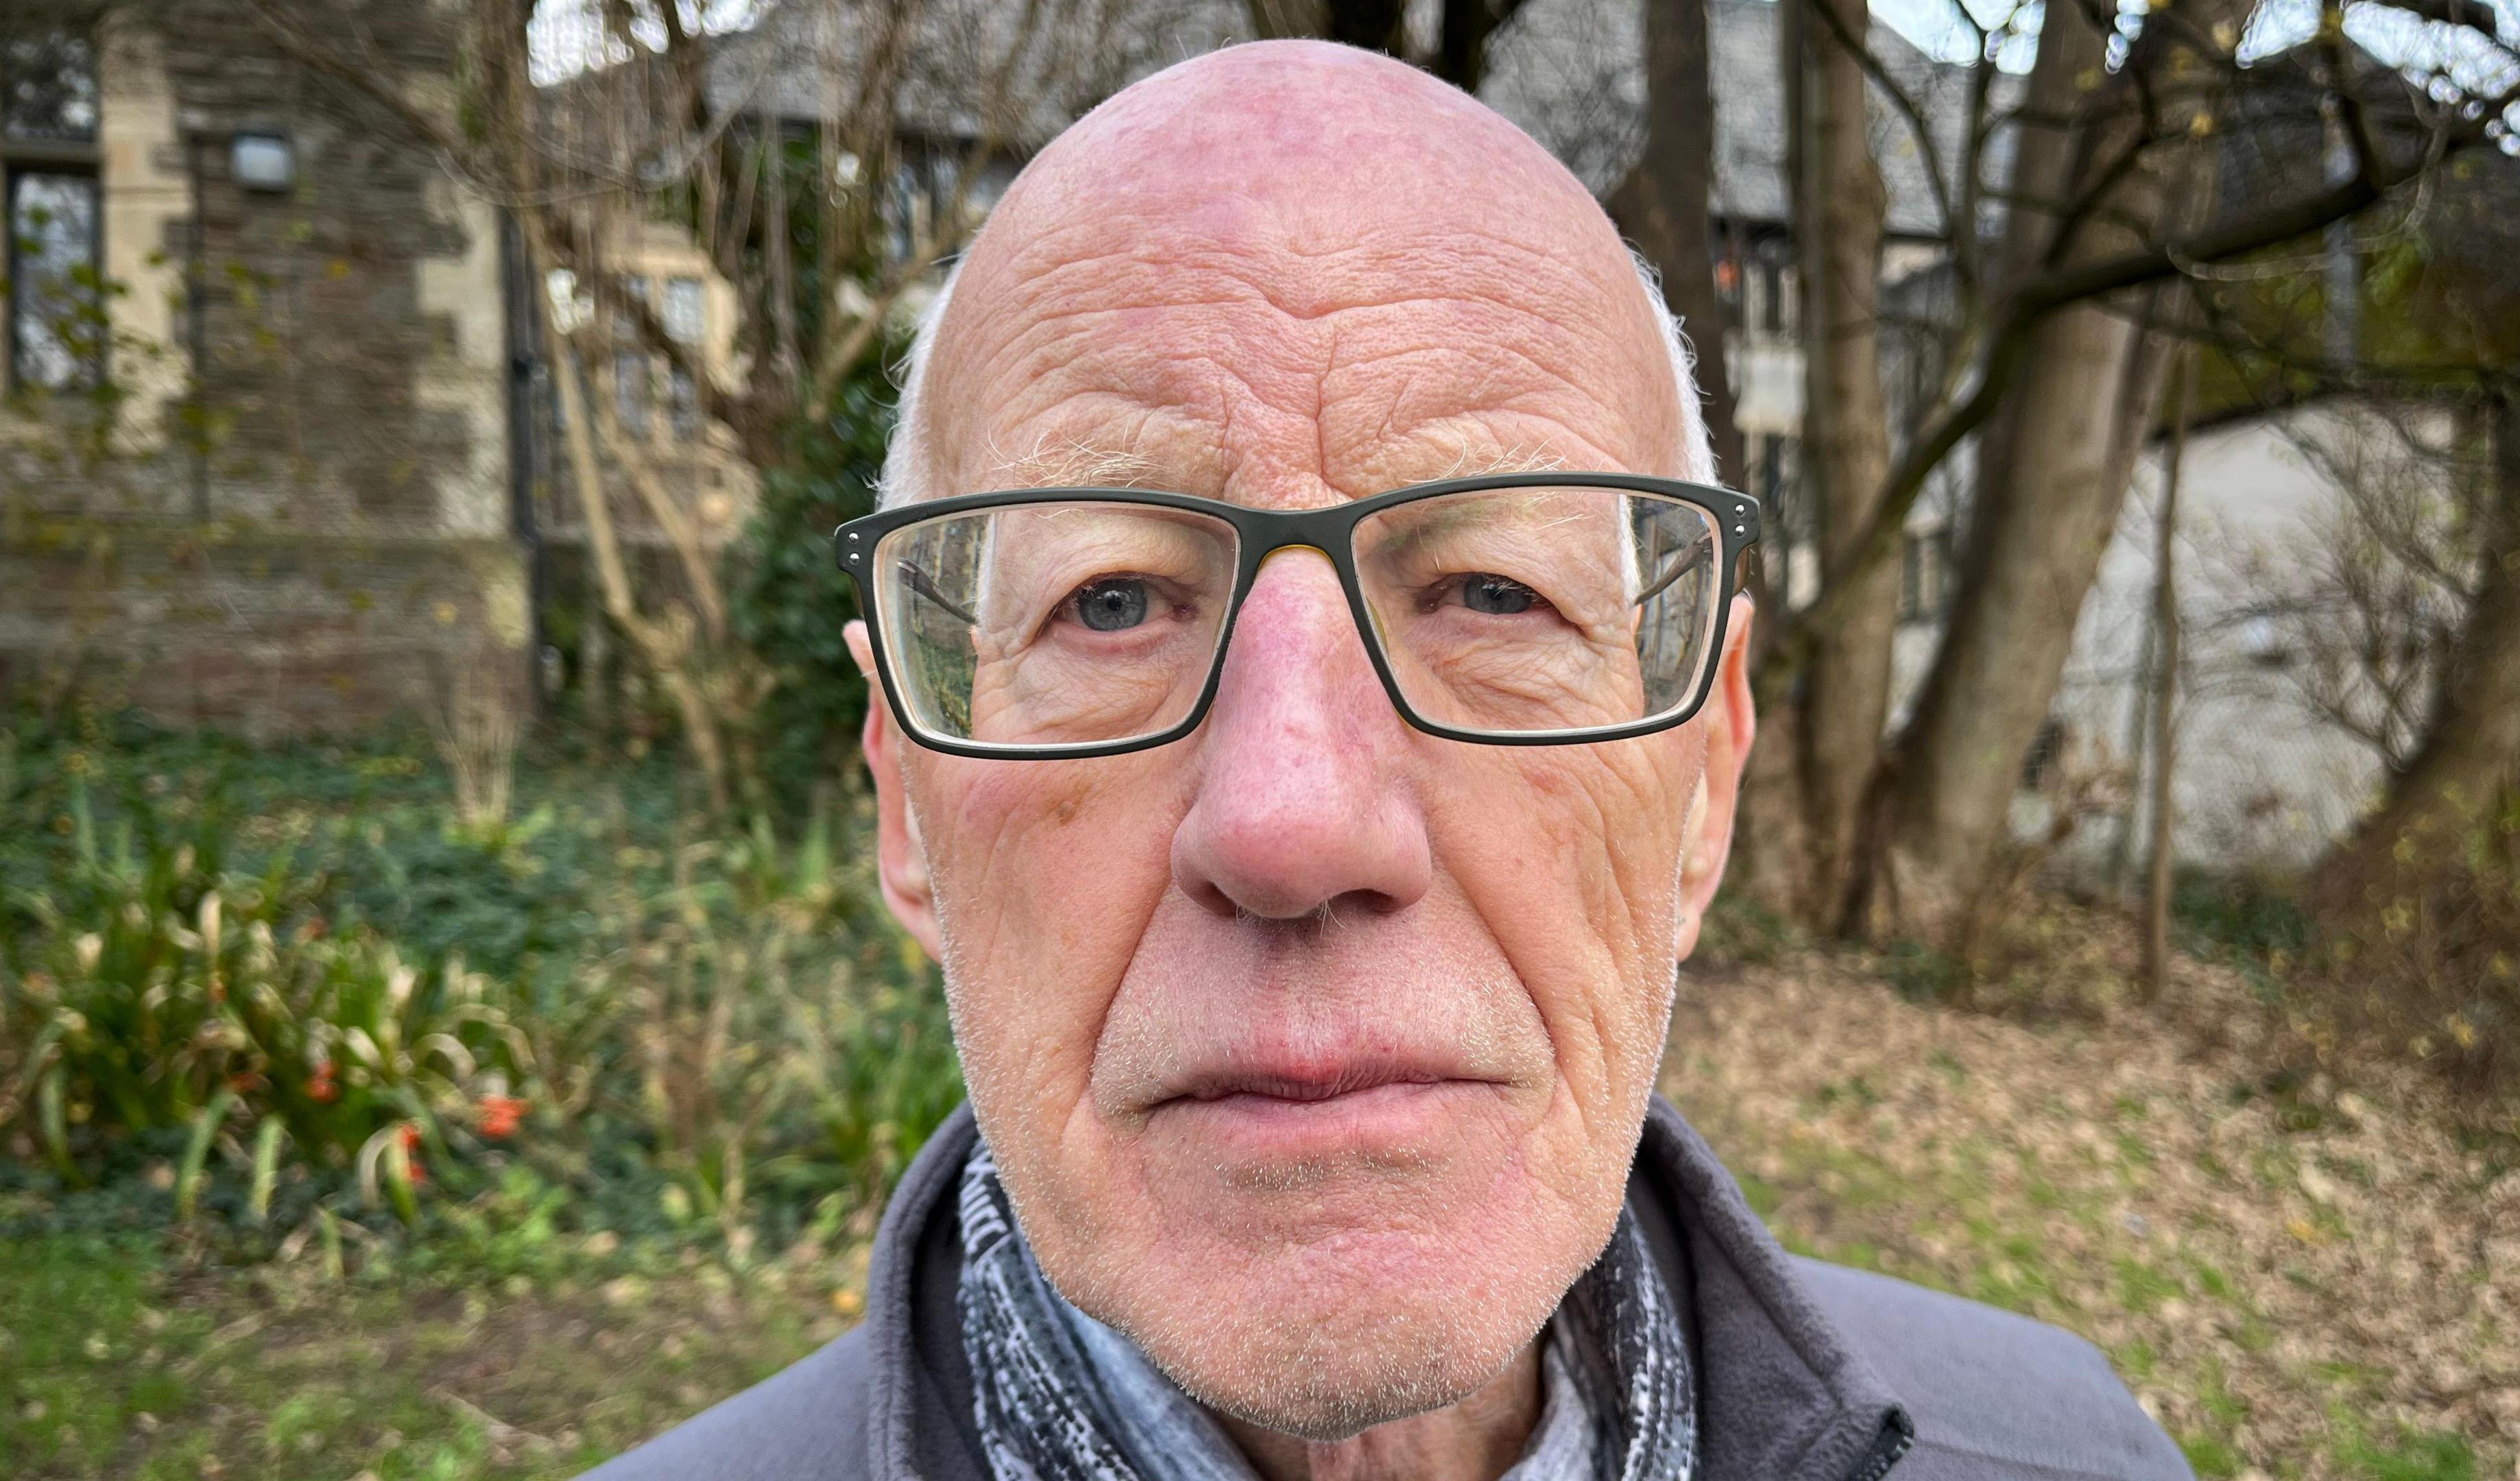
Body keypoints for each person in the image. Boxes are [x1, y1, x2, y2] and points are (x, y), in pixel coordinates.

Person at [586, 39, 2192, 1481]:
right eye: (1114, 600)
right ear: (907, 806)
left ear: (1704, 786)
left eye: (1496, 593)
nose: (1294, 820)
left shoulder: (2079, 1457)